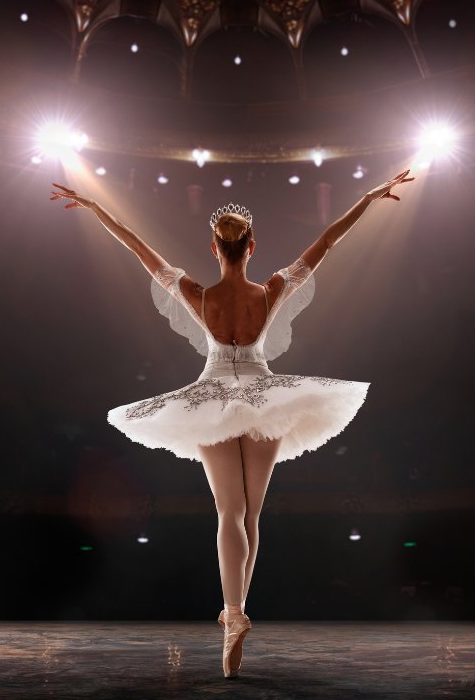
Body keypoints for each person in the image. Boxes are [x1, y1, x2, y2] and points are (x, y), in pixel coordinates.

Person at [48, 168, 412, 678]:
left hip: (214, 395)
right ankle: (237, 610)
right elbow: (328, 241)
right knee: (251, 515)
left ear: (214, 247)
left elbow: (137, 246)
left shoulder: (198, 295)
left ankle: (233, 614)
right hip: (264, 397)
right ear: (252, 247)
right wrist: (370, 198)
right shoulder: (272, 291)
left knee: (227, 512)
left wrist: (95, 207)